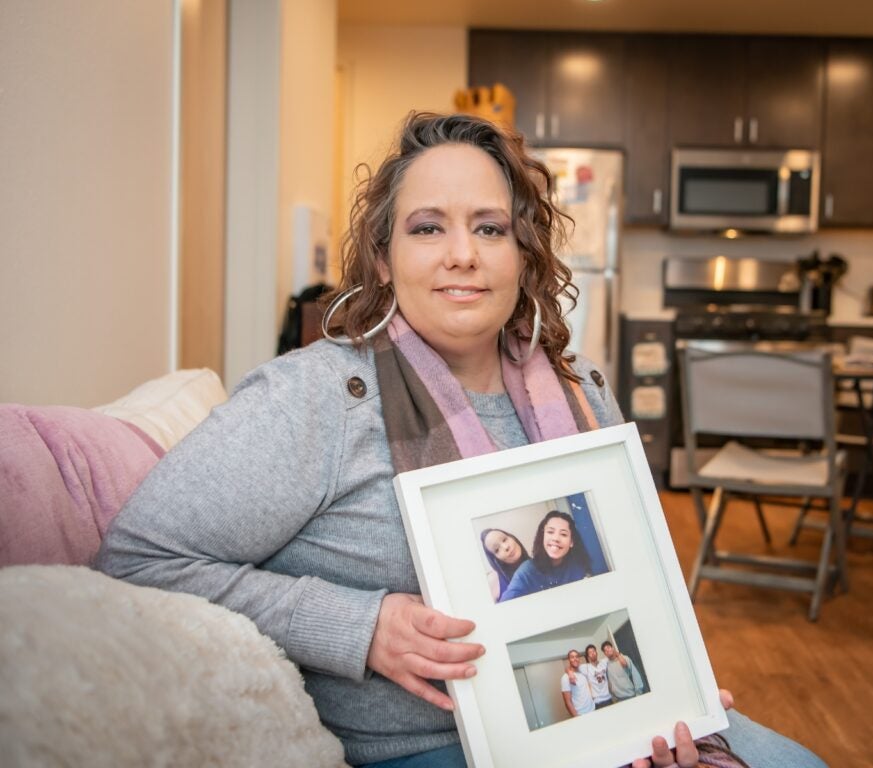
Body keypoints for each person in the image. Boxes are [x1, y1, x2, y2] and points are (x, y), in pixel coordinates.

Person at [96, 111, 826, 768]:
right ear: (382, 257)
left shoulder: (583, 389)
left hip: (616, 724)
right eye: (426, 228)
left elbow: (625, 588)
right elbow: (136, 557)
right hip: (430, 745)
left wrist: (673, 693)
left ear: (523, 253)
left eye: (489, 227)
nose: (462, 255)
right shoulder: (315, 397)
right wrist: (360, 625)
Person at [497, 510, 591, 602]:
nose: (556, 538)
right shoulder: (526, 572)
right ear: (542, 536)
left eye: (563, 534)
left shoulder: (578, 567)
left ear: (571, 542)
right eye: (550, 532)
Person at [479, 527, 529, 601]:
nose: (506, 547)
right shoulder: (493, 581)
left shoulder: (539, 564)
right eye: (497, 549)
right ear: (496, 559)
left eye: (505, 539)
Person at [566, 644, 613, 709]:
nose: (592, 653)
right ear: (588, 656)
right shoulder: (585, 667)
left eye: (593, 651)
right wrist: (569, 672)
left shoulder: (604, 662)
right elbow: (571, 667)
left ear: (596, 652)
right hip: (597, 702)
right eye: (590, 652)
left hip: (609, 698)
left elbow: (613, 655)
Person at [560, 649, 595, 718]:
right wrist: (576, 717)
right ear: (569, 660)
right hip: (581, 714)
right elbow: (567, 701)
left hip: (593, 709)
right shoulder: (565, 678)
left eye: (576, 657)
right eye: (572, 657)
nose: (575, 659)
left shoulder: (582, 673)